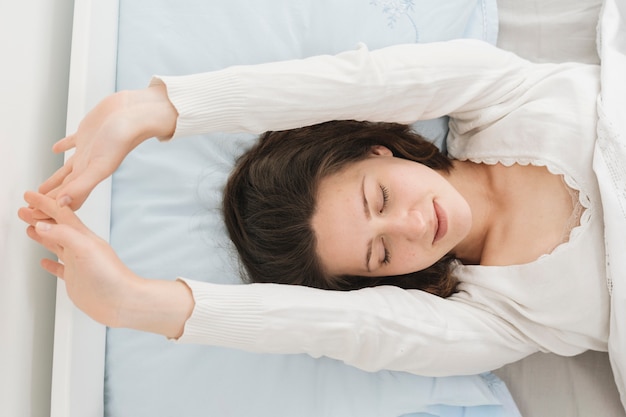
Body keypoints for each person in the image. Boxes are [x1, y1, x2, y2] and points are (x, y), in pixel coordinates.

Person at [18, 39, 609, 376]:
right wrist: (137, 303)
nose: (410, 226)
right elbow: (352, 330)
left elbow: (357, 82)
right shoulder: (498, 319)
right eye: (381, 254)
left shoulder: (506, 94)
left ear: (376, 147)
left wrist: (155, 109)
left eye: (378, 196)